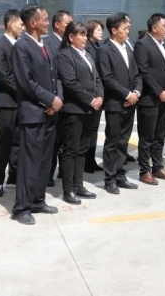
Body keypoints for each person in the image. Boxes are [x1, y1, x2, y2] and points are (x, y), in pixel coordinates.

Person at [11, 4, 63, 225]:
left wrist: (57, 100)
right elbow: (26, 81)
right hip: (33, 113)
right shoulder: (21, 47)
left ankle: (38, 201)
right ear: (33, 22)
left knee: (44, 161)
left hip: (50, 112)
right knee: (29, 162)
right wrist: (50, 99)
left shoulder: (46, 45)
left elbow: (56, 77)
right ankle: (21, 207)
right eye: (45, 19)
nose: (47, 23)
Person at [56, 21, 103, 204]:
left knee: (82, 149)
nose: (85, 38)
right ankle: (68, 190)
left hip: (89, 110)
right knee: (71, 150)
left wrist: (99, 96)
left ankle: (78, 184)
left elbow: (97, 78)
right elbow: (70, 83)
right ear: (71, 37)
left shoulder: (87, 55)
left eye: (85, 34)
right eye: (81, 35)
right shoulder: (65, 55)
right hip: (74, 110)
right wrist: (90, 99)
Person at [96, 12, 142, 194]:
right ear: (114, 30)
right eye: (125, 28)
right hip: (116, 103)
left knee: (124, 142)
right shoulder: (104, 50)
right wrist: (126, 94)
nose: (128, 31)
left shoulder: (128, 48)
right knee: (112, 142)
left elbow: (137, 74)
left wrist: (136, 92)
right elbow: (107, 78)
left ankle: (120, 175)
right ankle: (110, 179)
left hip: (131, 102)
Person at [133, 13, 165, 185]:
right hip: (150, 99)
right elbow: (144, 71)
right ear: (154, 27)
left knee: (160, 135)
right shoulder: (143, 44)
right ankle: (145, 170)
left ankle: (157, 167)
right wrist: (159, 91)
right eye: (164, 26)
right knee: (147, 137)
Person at [0, 9, 24, 197]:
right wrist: (25, 91)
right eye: (21, 24)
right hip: (8, 102)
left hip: (22, 103)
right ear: (11, 24)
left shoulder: (21, 45)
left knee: (19, 142)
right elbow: (4, 75)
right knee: (5, 142)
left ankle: (14, 176)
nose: (23, 28)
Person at [45, 10, 73, 187]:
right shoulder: (48, 44)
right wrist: (55, 98)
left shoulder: (70, 44)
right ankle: (48, 175)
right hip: (55, 100)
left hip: (69, 101)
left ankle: (64, 171)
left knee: (66, 140)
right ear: (57, 24)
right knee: (52, 142)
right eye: (67, 23)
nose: (71, 26)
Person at [84, 19, 105, 173]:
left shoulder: (98, 47)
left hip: (99, 94)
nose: (101, 32)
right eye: (98, 30)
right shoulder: (87, 48)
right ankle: (86, 161)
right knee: (89, 129)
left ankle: (90, 160)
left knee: (94, 128)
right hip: (89, 95)